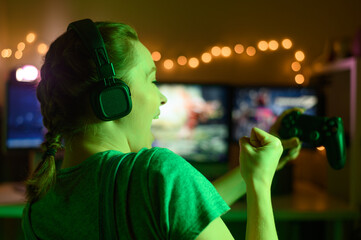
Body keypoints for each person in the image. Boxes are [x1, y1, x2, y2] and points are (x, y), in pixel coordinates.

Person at [22, 19, 302, 239]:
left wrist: (252, 172)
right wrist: (260, 185)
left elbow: (175, 210)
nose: (162, 97)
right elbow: (166, 197)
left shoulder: (38, 207)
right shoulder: (157, 173)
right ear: (114, 99)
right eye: (152, 80)